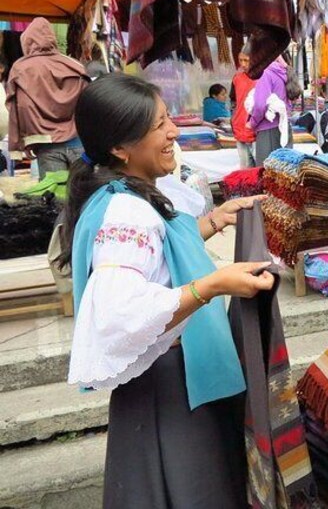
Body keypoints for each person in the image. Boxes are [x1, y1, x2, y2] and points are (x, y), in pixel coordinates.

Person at [57, 74, 273, 509]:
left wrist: (214, 221)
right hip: (172, 389)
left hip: (167, 381)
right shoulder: (126, 211)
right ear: (121, 148)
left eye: (167, 118)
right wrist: (213, 284)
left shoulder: (119, 195)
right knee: (192, 491)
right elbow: (121, 309)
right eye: (159, 125)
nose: (173, 130)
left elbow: (156, 254)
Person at [5, 18, 89, 179]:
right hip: (79, 143)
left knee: (55, 198)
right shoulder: (74, 66)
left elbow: (19, 109)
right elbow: (88, 106)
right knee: (83, 196)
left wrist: (19, 144)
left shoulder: (21, 69)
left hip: (46, 144)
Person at [249, 55, 293, 164]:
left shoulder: (266, 74)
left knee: (266, 172)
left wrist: (252, 123)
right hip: (283, 126)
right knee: (284, 170)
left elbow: (260, 105)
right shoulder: (285, 73)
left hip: (268, 128)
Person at [230, 45, 256, 168]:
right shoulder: (236, 78)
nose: (243, 64)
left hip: (255, 128)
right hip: (240, 126)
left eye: (246, 60)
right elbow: (233, 101)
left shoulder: (262, 77)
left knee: (259, 168)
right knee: (245, 168)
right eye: (241, 60)